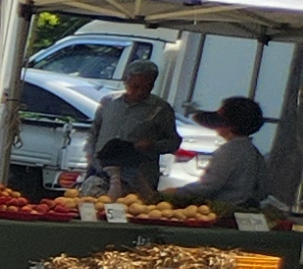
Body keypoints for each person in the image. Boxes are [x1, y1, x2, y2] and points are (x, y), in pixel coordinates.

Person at [161, 95, 270, 211]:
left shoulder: (230, 150)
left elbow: (209, 186)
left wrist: (174, 193)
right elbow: (263, 191)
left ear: (229, 124)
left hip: (224, 210)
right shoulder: (253, 151)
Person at [89, 60, 179, 191]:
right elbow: (94, 133)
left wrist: (152, 145)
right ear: (126, 80)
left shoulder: (161, 109)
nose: (140, 92)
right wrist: (91, 161)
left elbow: (174, 142)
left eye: (147, 88)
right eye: (135, 86)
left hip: (138, 180)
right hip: (103, 175)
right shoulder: (109, 102)